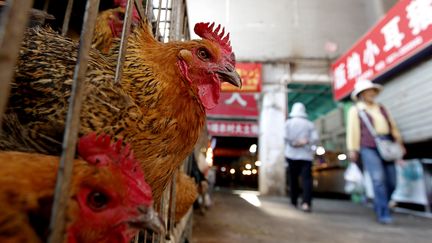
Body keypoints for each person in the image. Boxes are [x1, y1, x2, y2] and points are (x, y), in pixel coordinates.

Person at [346, 79, 405, 224]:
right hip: (368, 147)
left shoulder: (382, 108)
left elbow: (393, 126)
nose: (371, 93)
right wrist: (353, 149)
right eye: (368, 91)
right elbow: (352, 130)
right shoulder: (356, 110)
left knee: (392, 181)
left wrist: (399, 142)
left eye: (372, 90)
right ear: (361, 94)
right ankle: (383, 213)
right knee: (378, 179)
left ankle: (381, 204)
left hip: (387, 144)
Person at [284, 102, 319, 212]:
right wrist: (305, 141)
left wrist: (294, 143)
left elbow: (284, 137)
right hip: (306, 156)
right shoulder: (309, 124)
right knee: (307, 180)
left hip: (291, 155)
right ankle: (306, 203)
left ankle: (293, 202)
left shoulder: (288, 123)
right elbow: (315, 138)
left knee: (293, 179)